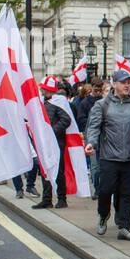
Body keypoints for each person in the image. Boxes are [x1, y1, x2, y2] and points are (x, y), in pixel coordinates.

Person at [84, 68, 130, 241]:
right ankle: (103, 215)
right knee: (105, 191)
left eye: (128, 82)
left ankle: (124, 227)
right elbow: (94, 127)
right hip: (109, 157)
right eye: (124, 82)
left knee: (126, 193)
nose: (127, 85)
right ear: (114, 84)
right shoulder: (102, 105)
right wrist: (91, 142)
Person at [32, 76, 72, 210]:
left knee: (58, 171)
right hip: (44, 142)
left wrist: (52, 131)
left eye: (43, 88)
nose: (41, 90)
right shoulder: (41, 102)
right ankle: (47, 199)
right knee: (45, 170)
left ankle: (62, 198)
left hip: (56, 142)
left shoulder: (58, 102)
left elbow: (66, 120)